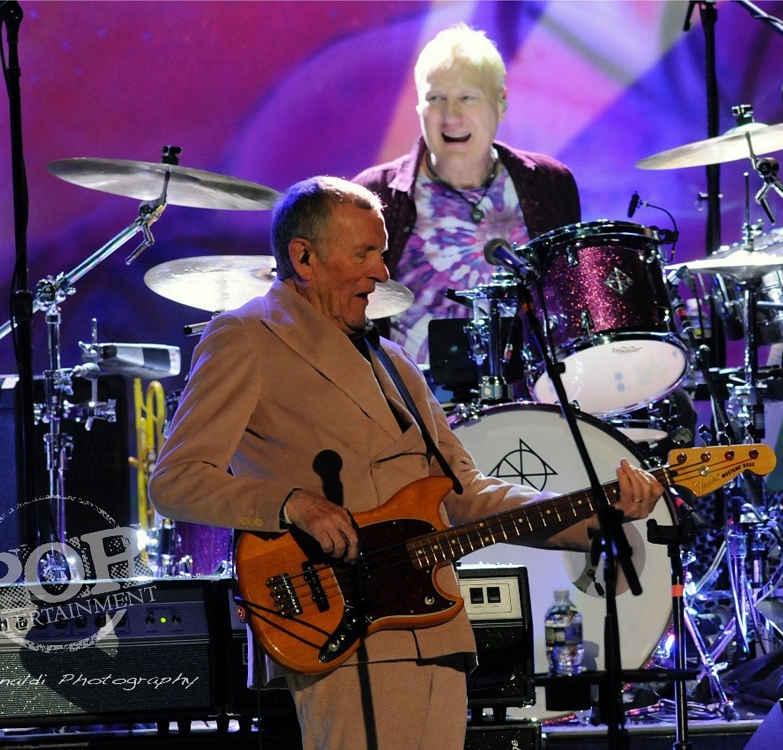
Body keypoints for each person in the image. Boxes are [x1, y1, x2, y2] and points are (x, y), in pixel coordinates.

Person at [148, 176, 663, 750]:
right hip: (340, 628)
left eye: (382, 253)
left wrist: (597, 513)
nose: (382, 272)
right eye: (364, 253)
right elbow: (175, 481)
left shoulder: (394, 362)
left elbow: (465, 494)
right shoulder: (245, 337)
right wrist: (291, 504)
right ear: (304, 257)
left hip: (435, 628)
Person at [352, 24, 581, 366]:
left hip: (533, 391)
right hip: (411, 393)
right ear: (419, 107)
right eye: (436, 99)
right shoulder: (374, 194)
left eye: (467, 98)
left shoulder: (550, 183)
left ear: (501, 102)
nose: (451, 117)